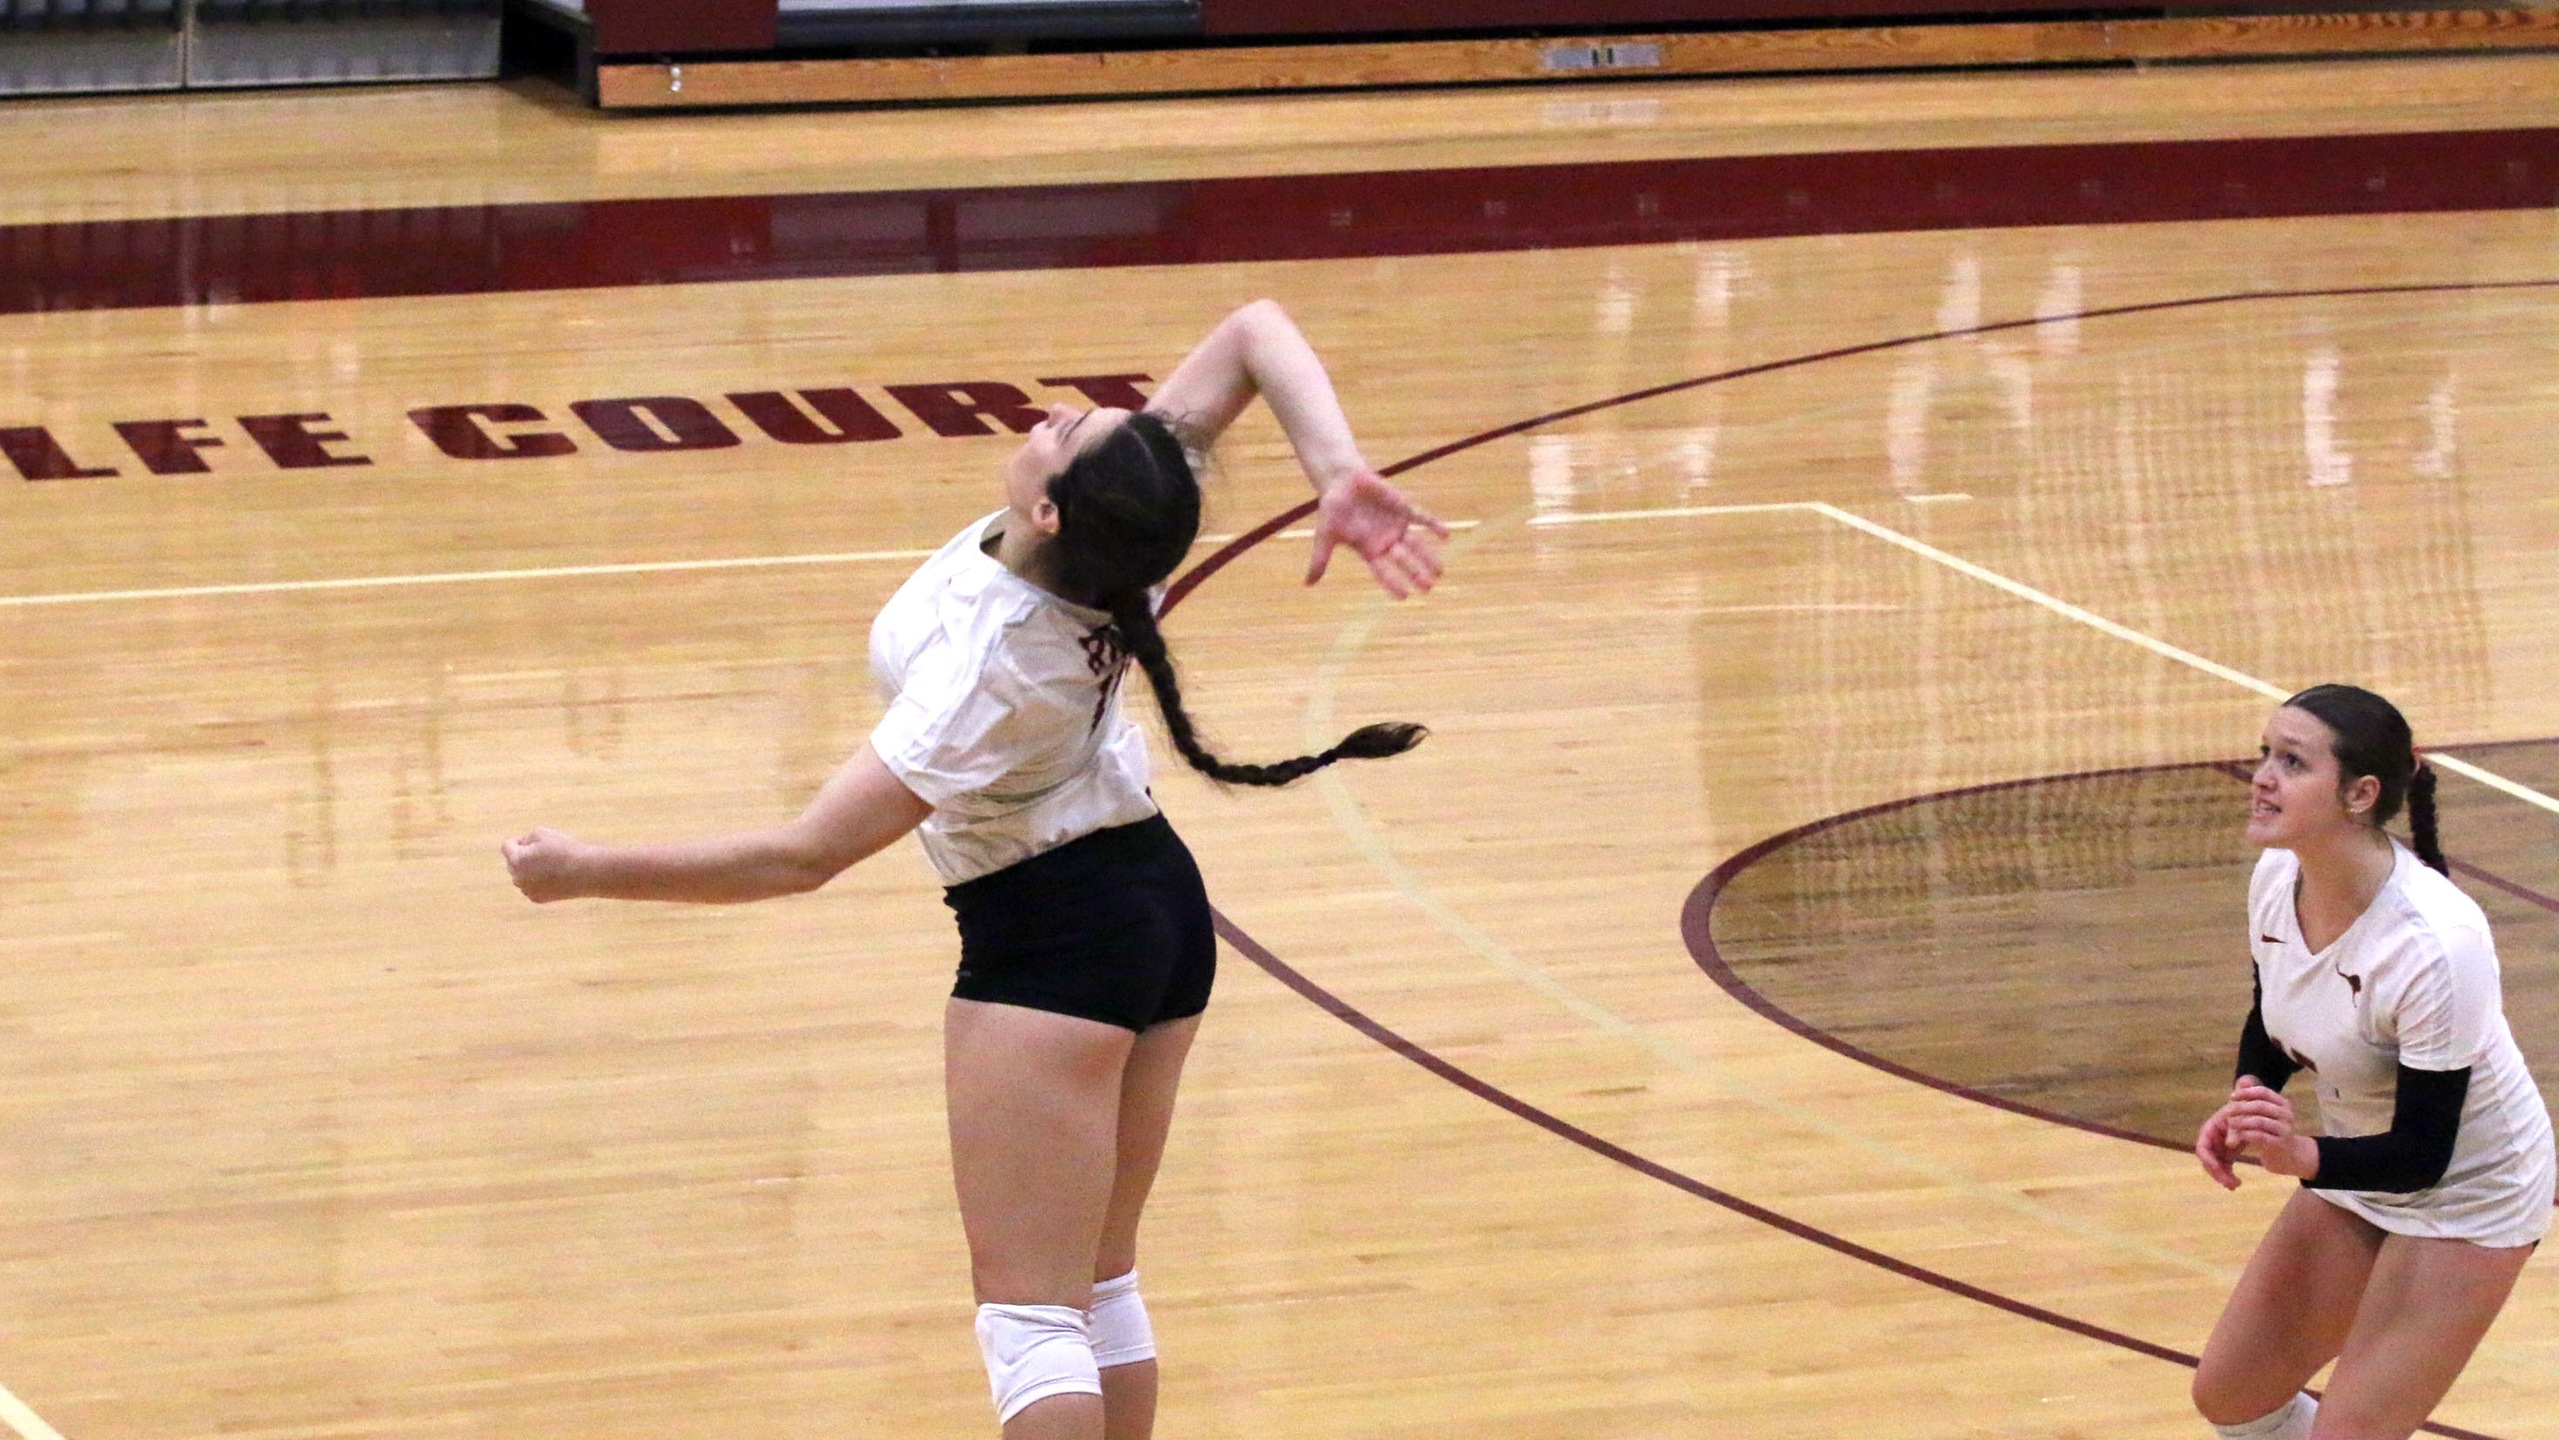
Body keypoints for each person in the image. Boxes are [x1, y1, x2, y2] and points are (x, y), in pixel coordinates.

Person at [501, 299, 1448, 1440]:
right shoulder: (1117, 522)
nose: (1057, 413)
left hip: (1055, 944)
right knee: (1096, 1288)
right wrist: (1335, 471)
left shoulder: (990, 671)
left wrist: (582, 869)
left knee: (1031, 1320)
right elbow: (1254, 331)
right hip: (1153, 906)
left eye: (1067, 431)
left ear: (1048, 506)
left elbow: (801, 855)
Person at [2191, 684, 2552, 1440]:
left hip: (2467, 1194)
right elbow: (2273, 1013)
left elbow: (2424, 1151)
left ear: (2359, 794)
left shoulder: (2433, 943)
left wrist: (2301, 1155)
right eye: (2265, 753)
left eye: (2291, 762)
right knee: (2231, 1395)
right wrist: (2247, 1101)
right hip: (2359, 1166)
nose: (2261, 775)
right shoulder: (2277, 877)